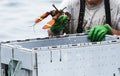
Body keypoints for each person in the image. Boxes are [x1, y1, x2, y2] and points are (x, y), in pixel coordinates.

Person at [48, 0, 120, 42]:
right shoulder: (69, 4)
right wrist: (55, 29)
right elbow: (52, 38)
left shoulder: (117, 5)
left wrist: (111, 31)